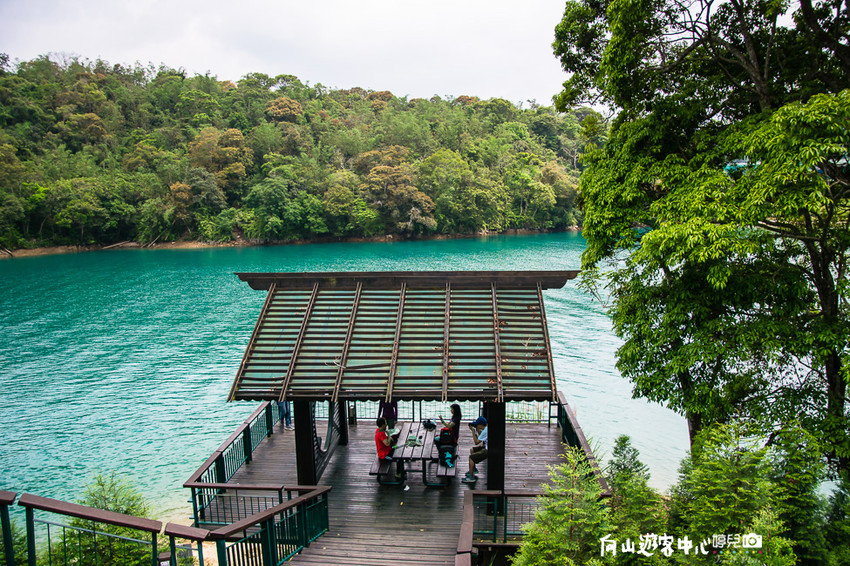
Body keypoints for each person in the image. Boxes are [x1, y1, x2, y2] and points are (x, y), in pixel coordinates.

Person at [462, 416, 488, 483]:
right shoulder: (485, 429)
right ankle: (473, 469)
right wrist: (477, 430)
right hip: (487, 447)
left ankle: (471, 477)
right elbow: (480, 437)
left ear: (481, 425)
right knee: (472, 450)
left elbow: (476, 442)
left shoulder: (485, 431)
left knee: (471, 457)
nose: (477, 426)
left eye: (477, 425)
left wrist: (473, 432)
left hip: (488, 450)